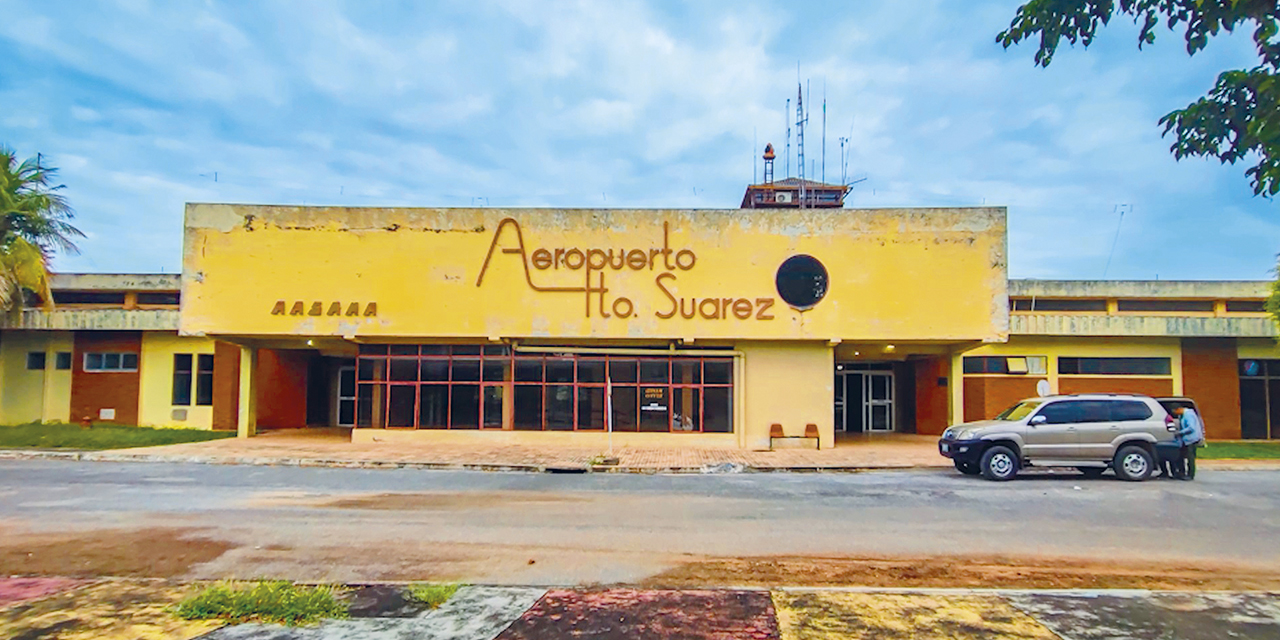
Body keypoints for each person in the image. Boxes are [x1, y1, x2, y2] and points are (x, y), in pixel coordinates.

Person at [1172, 406, 1205, 480]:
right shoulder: (1182, 415)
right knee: (1180, 456)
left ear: (1179, 409)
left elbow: (1191, 427)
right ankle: (1181, 473)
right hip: (1186, 440)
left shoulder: (1188, 415)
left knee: (1190, 457)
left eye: (1175, 411)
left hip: (1191, 439)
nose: (1176, 414)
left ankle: (1190, 474)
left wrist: (1180, 433)